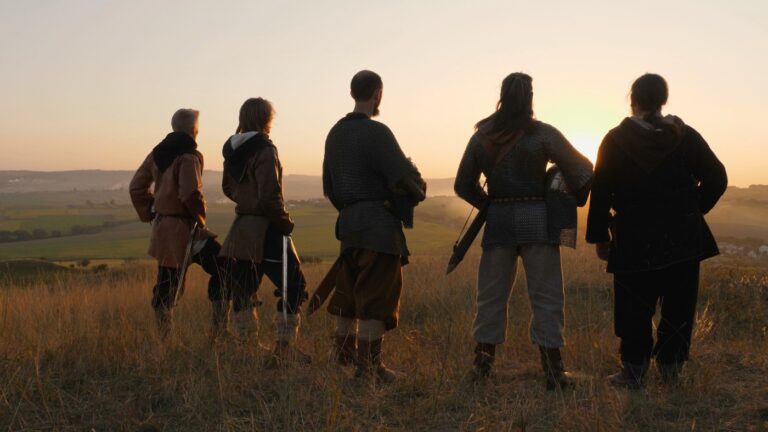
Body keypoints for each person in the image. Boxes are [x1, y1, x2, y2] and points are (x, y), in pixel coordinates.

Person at [586, 73, 727, 388]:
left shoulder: (615, 140)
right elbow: (717, 177)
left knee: (633, 307)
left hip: (632, 239)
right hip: (683, 237)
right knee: (679, 307)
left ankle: (633, 372)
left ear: (633, 100)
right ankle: (671, 370)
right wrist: (693, 210)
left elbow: (601, 191)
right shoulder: (684, 136)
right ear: (663, 100)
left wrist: (599, 237)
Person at [454, 73, 593, 389]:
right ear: (530, 97)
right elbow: (583, 170)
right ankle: (554, 371)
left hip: (499, 223)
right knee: (546, 296)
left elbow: (463, 185)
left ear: (502, 95)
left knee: (490, 296)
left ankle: (482, 367)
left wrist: (490, 206)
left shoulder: (482, 137)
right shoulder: (542, 134)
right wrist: (557, 183)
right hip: (537, 221)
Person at [321, 70, 426, 383]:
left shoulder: (334, 134)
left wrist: (353, 211)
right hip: (379, 228)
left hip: (348, 226)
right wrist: (417, 188)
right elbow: (404, 178)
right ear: (378, 94)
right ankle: (369, 369)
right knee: (376, 298)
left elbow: (330, 186)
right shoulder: (377, 133)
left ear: (352, 92)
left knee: (348, 295)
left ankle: (343, 358)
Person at [219, 97, 311, 363]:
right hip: (268, 229)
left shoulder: (231, 151)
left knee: (244, 288)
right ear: (267, 119)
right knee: (294, 285)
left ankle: (247, 348)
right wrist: (285, 223)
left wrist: (246, 202)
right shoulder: (265, 149)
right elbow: (270, 196)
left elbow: (227, 188)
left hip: (241, 229)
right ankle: (285, 348)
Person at [129, 108, 227, 339]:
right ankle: (218, 332)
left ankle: (166, 339)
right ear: (194, 129)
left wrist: (152, 210)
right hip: (188, 230)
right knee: (226, 269)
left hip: (164, 230)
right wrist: (200, 217)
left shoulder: (156, 153)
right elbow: (190, 193)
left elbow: (136, 187)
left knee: (167, 284)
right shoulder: (189, 156)